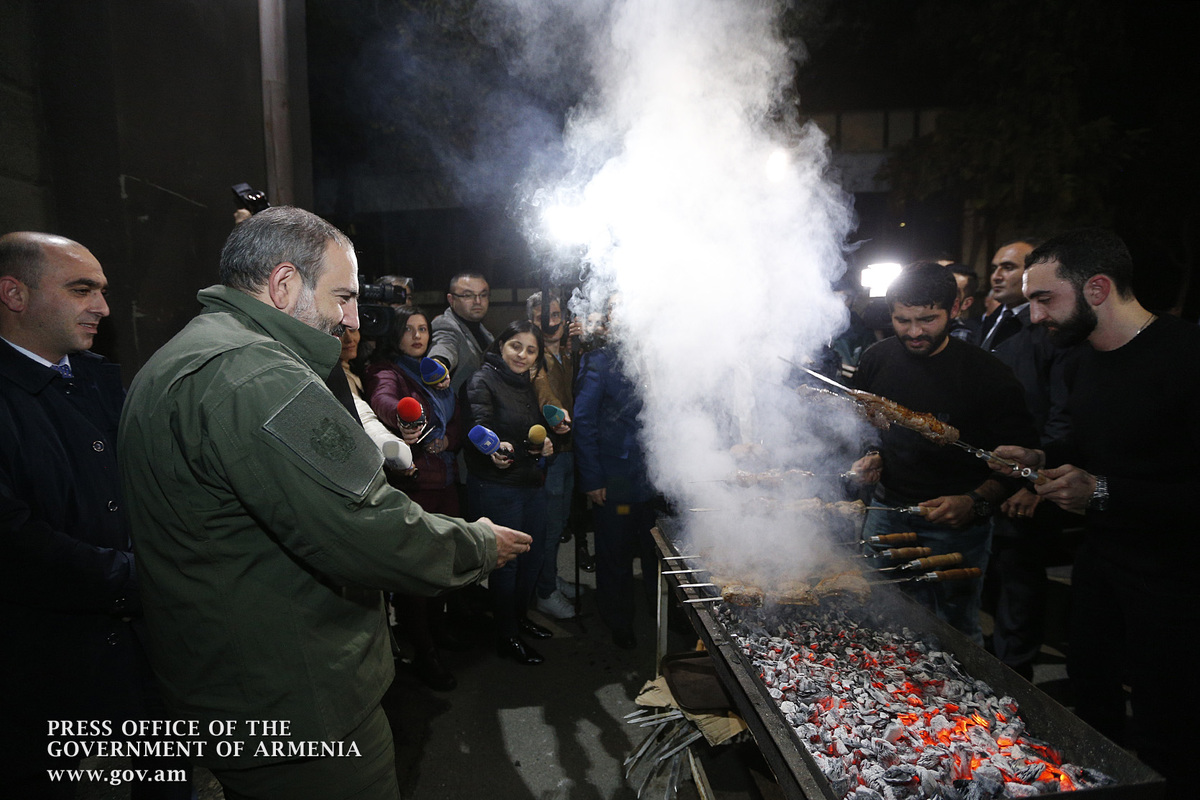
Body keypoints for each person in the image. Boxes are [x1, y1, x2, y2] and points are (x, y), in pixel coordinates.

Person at [118, 207, 530, 800]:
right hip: (297, 698)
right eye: (343, 297)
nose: (353, 318)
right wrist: (480, 544)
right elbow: (364, 526)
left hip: (234, 684)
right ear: (284, 285)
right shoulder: (259, 375)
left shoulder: (191, 352)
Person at [991, 228, 1200, 798]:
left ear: (1098, 288)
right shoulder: (1078, 362)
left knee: (1168, 723)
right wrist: (1041, 458)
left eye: (1044, 299)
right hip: (1101, 564)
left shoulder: (1187, 356)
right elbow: (1090, 448)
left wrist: (1104, 492)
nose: (1035, 316)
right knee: (1090, 701)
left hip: (1177, 579)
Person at [0, 232, 192, 799]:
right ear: (14, 294)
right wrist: (141, 578)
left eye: (102, 291)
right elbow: (13, 540)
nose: (103, 308)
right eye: (82, 290)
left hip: (141, 658)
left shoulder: (100, 380)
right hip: (39, 676)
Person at [849, 262, 1037, 644]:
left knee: (953, 630)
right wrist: (871, 453)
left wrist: (975, 502)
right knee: (873, 616)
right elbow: (861, 424)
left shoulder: (989, 375)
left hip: (956, 528)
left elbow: (1019, 462)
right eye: (902, 320)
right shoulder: (876, 359)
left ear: (954, 309)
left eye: (927, 319)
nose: (914, 332)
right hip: (887, 510)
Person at [364, 305, 466, 690]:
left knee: (444, 562)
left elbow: (456, 419)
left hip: (446, 480)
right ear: (395, 335)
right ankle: (424, 651)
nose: (418, 336)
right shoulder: (387, 371)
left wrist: (449, 439)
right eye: (409, 329)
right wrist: (406, 418)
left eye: (423, 329)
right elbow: (383, 401)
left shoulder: (434, 372)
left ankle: (438, 631)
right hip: (416, 484)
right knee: (417, 571)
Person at [462, 320, 557, 665]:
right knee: (507, 565)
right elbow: (479, 425)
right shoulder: (482, 380)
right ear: (501, 344)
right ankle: (506, 635)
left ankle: (519, 618)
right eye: (516, 346)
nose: (522, 355)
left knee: (532, 558)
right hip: (497, 488)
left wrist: (543, 445)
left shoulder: (526, 383)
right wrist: (494, 448)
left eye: (531, 350)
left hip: (530, 483)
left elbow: (529, 431)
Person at [573, 297, 658, 650]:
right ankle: (619, 620)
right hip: (618, 477)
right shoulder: (599, 361)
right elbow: (583, 421)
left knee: (657, 550)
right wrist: (592, 479)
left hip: (657, 474)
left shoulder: (661, 356)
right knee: (616, 552)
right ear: (611, 320)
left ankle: (661, 611)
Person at [525, 292, 580, 620]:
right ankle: (544, 591)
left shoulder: (569, 352)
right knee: (547, 526)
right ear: (532, 322)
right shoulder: (535, 358)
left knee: (559, 523)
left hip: (571, 451)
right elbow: (543, 389)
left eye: (556, 315)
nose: (551, 323)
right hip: (553, 453)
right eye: (543, 317)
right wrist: (556, 416)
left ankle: (550, 577)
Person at [429, 272, 493, 397]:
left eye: (483, 295)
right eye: (468, 295)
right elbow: (445, 345)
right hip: (458, 406)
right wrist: (438, 365)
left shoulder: (484, 331)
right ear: (451, 299)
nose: (478, 301)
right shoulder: (445, 324)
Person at [978, 239, 1037, 351]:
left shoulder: (1045, 327)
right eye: (994, 269)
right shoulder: (990, 320)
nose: (996, 277)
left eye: (1008, 268)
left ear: (1035, 272)